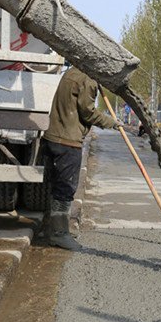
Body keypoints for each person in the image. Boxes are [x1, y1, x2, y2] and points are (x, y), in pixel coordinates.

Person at [42, 66, 122, 250]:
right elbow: (87, 112)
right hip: (67, 141)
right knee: (65, 188)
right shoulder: (89, 79)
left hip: (53, 136)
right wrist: (112, 123)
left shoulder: (71, 72)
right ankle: (59, 234)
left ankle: (53, 229)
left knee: (55, 186)